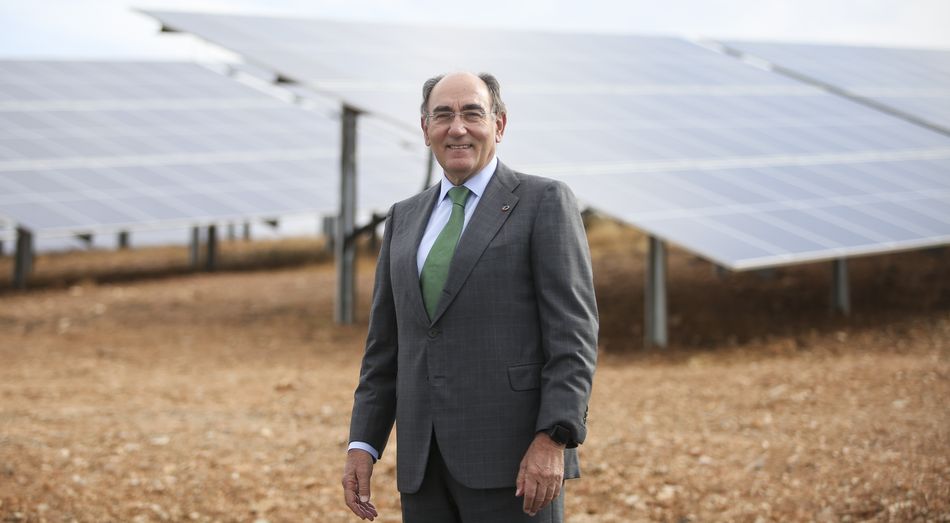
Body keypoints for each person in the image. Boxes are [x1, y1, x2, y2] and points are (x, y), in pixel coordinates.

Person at [342, 71, 598, 522]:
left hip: (516, 464)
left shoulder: (544, 202)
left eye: (472, 114)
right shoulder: (403, 218)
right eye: (442, 115)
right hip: (423, 467)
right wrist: (363, 444)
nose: (457, 128)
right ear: (426, 129)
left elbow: (573, 338)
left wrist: (554, 438)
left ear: (499, 124)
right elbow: (385, 348)